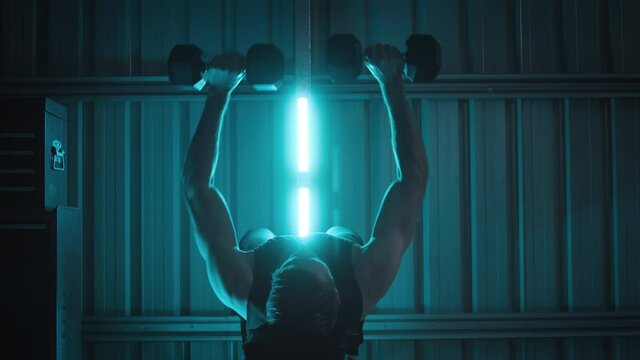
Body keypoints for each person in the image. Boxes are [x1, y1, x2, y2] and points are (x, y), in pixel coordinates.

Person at [182, 44, 428, 359]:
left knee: (259, 237)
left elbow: (196, 187)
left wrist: (218, 91)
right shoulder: (360, 287)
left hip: (267, 282)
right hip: (337, 289)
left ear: (271, 295)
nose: (302, 247)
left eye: (290, 261)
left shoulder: (241, 287)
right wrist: (391, 83)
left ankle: (276, 253)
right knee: (340, 233)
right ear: (337, 295)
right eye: (313, 259)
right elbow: (413, 179)